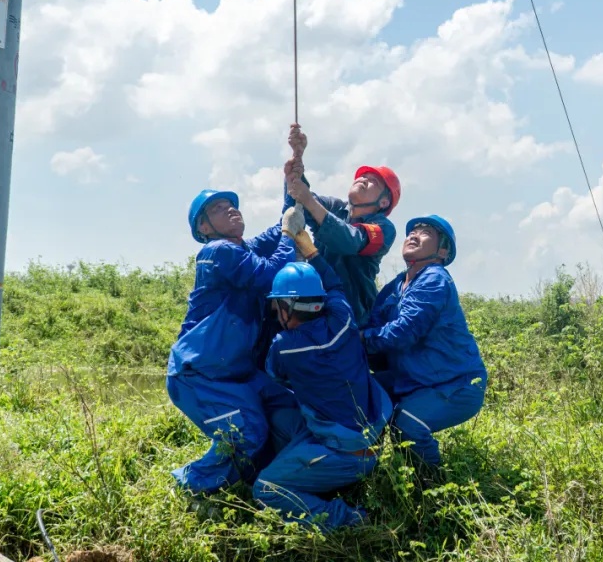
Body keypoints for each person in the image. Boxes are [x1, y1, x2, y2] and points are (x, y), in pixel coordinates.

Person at [165, 188, 308, 496]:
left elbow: (277, 230)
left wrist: (292, 184)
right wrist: (288, 233)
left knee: (290, 404)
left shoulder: (242, 250)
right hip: (200, 372)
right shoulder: (218, 251)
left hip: (235, 370)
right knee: (247, 432)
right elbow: (271, 275)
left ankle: (277, 474)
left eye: (231, 205)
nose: (230, 210)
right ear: (204, 228)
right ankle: (192, 488)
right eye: (218, 209)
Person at [253, 239, 392, 531]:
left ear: (287, 307)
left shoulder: (285, 347)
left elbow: (275, 375)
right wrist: (312, 251)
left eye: (278, 306)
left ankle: (347, 519)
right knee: (280, 419)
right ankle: (306, 472)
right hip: (367, 439)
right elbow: (335, 287)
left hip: (346, 456)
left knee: (264, 488)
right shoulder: (342, 319)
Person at [359, 215, 488, 472]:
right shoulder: (395, 286)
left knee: (407, 422)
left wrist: (361, 340)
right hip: (414, 380)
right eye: (412, 231)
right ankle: (364, 470)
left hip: (456, 384)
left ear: (442, 251)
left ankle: (430, 490)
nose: (414, 234)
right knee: (361, 392)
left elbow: (404, 331)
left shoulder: (435, 278)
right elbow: (373, 327)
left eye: (426, 232)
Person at [282, 123, 400, 329]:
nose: (364, 179)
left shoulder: (384, 228)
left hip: (354, 320)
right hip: (315, 310)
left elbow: (350, 241)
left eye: (374, 182)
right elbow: (299, 203)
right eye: (363, 176)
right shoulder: (334, 207)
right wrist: (295, 167)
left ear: (384, 202)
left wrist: (308, 199)